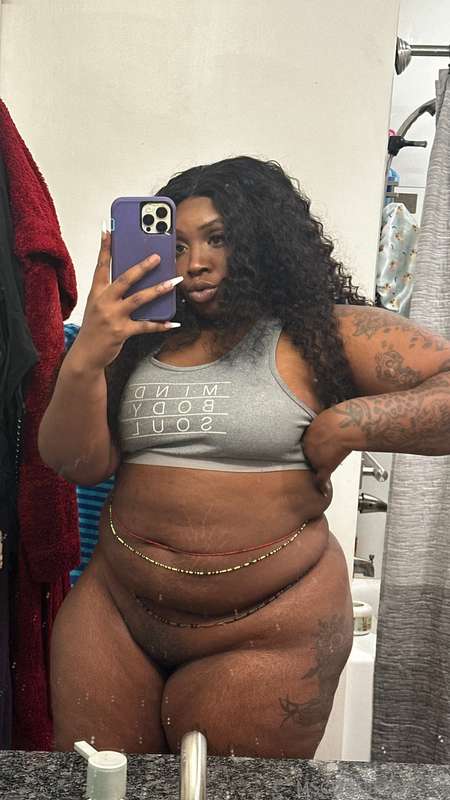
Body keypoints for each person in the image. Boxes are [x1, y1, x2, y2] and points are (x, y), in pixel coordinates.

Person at [38, 156, 450, 758]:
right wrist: (88, 357)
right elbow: (76, 464)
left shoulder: (321, 333)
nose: (195, 263)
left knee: (231, 793)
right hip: (116, 615)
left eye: (218, 238)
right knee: (100, 789)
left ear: (264, 239)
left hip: (269, 631)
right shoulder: (136, 343)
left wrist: (347, 423)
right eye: (178, 246)